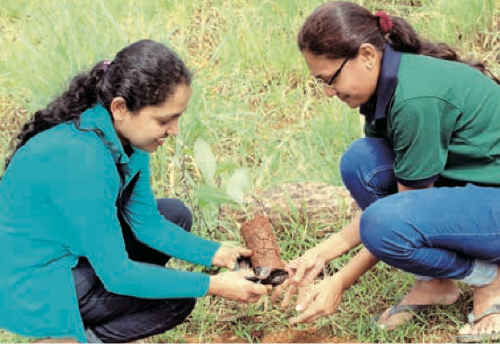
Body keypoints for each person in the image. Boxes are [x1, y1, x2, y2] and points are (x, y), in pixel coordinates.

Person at [0, 39, 270, 343]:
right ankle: (70, 339)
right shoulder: (83, 159)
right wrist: (214, 286)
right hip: (29, 287)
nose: (174, 131)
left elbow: (148, 224)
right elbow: (117, 274)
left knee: (174, 214)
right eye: (164, 120)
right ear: (120, 108)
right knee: (175, 301)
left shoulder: (127, 143)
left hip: (68, 256)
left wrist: (217, 254)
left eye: (177, 118)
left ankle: (99, 317)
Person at [279, 1, 500, 342]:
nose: (328, 92)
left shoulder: (415, 100)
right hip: (473, 190)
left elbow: (398, 215)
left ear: (366, 55)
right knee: (361, 161)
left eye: (330, 79)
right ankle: (434, 284)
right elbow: (400, 198)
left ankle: (489, 277)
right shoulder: (386, 86)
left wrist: (338, 280)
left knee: (383, 224)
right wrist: (321, 253)